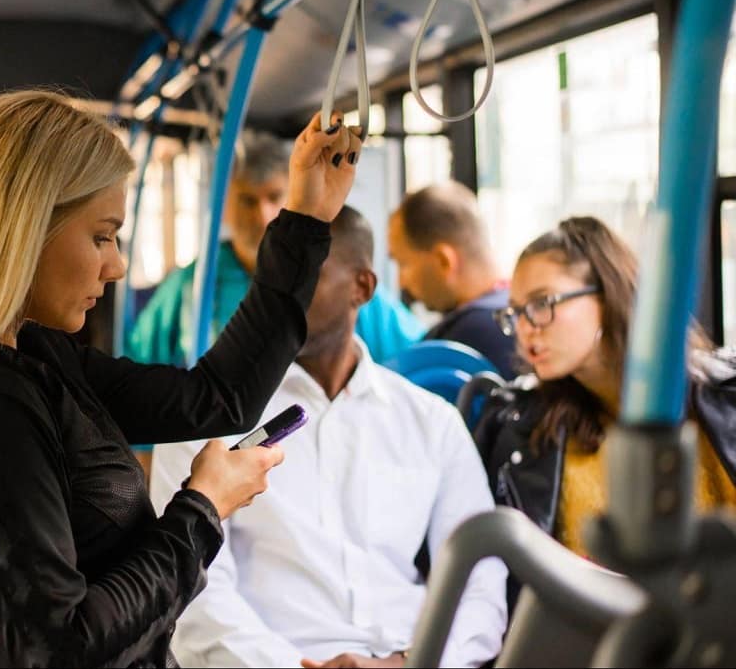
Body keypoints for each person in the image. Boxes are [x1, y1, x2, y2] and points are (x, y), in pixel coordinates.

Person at [0, 91, 363, 665]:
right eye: (102, 236)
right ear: (24, 231)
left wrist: (307, 220)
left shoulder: (35, 358)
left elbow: (217, 398)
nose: (117, 266)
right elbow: (59, 651)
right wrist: (201, 509)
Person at [150, 206, 506, 668]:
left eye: (306, 275)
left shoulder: (431, 422)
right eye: (272, 277)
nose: (281, 296)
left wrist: (406, 663)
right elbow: (192, 589)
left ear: (363, 287)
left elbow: (481, 580)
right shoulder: (203, 421)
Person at [475, 217, 736, 559]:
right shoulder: (523, 425)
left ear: (607, 293)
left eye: (542, 304)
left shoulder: (723, 398)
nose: (526, 329)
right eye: (515, 313)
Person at [129, 130, 424, 368]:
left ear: (296, 197)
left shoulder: (337, 281)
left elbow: (417, 351)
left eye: (274, 196)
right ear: (226, 206)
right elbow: (138, 361)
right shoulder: (195, 282)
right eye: (247, 200)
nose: (263, 215)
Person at [388, 182, 518, 377]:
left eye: (404, 264)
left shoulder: (454, 346)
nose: (401, 282)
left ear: (444, 260)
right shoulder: (524, 319)